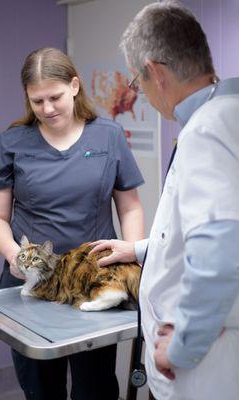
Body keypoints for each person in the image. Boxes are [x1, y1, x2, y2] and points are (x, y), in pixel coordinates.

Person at [90, 2, 239, 399]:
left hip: (202, 367)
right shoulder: (226, 118)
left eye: (138, 83)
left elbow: (220, 247)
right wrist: (139, 249)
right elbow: (201, 229)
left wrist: (181, 347)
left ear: (155, 72)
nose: (142, 94)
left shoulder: (207, 130)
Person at [0, 47, 145, 400]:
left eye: (54, 97)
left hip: (94, 277)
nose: (47, 109)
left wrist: (130, 256)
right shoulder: (12, 142)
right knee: (41, 388)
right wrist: (15, 256)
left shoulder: (108, 136)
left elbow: (130, 208)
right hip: (31, 283)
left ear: (74, 86)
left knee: (95, 388)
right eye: (37, 101)